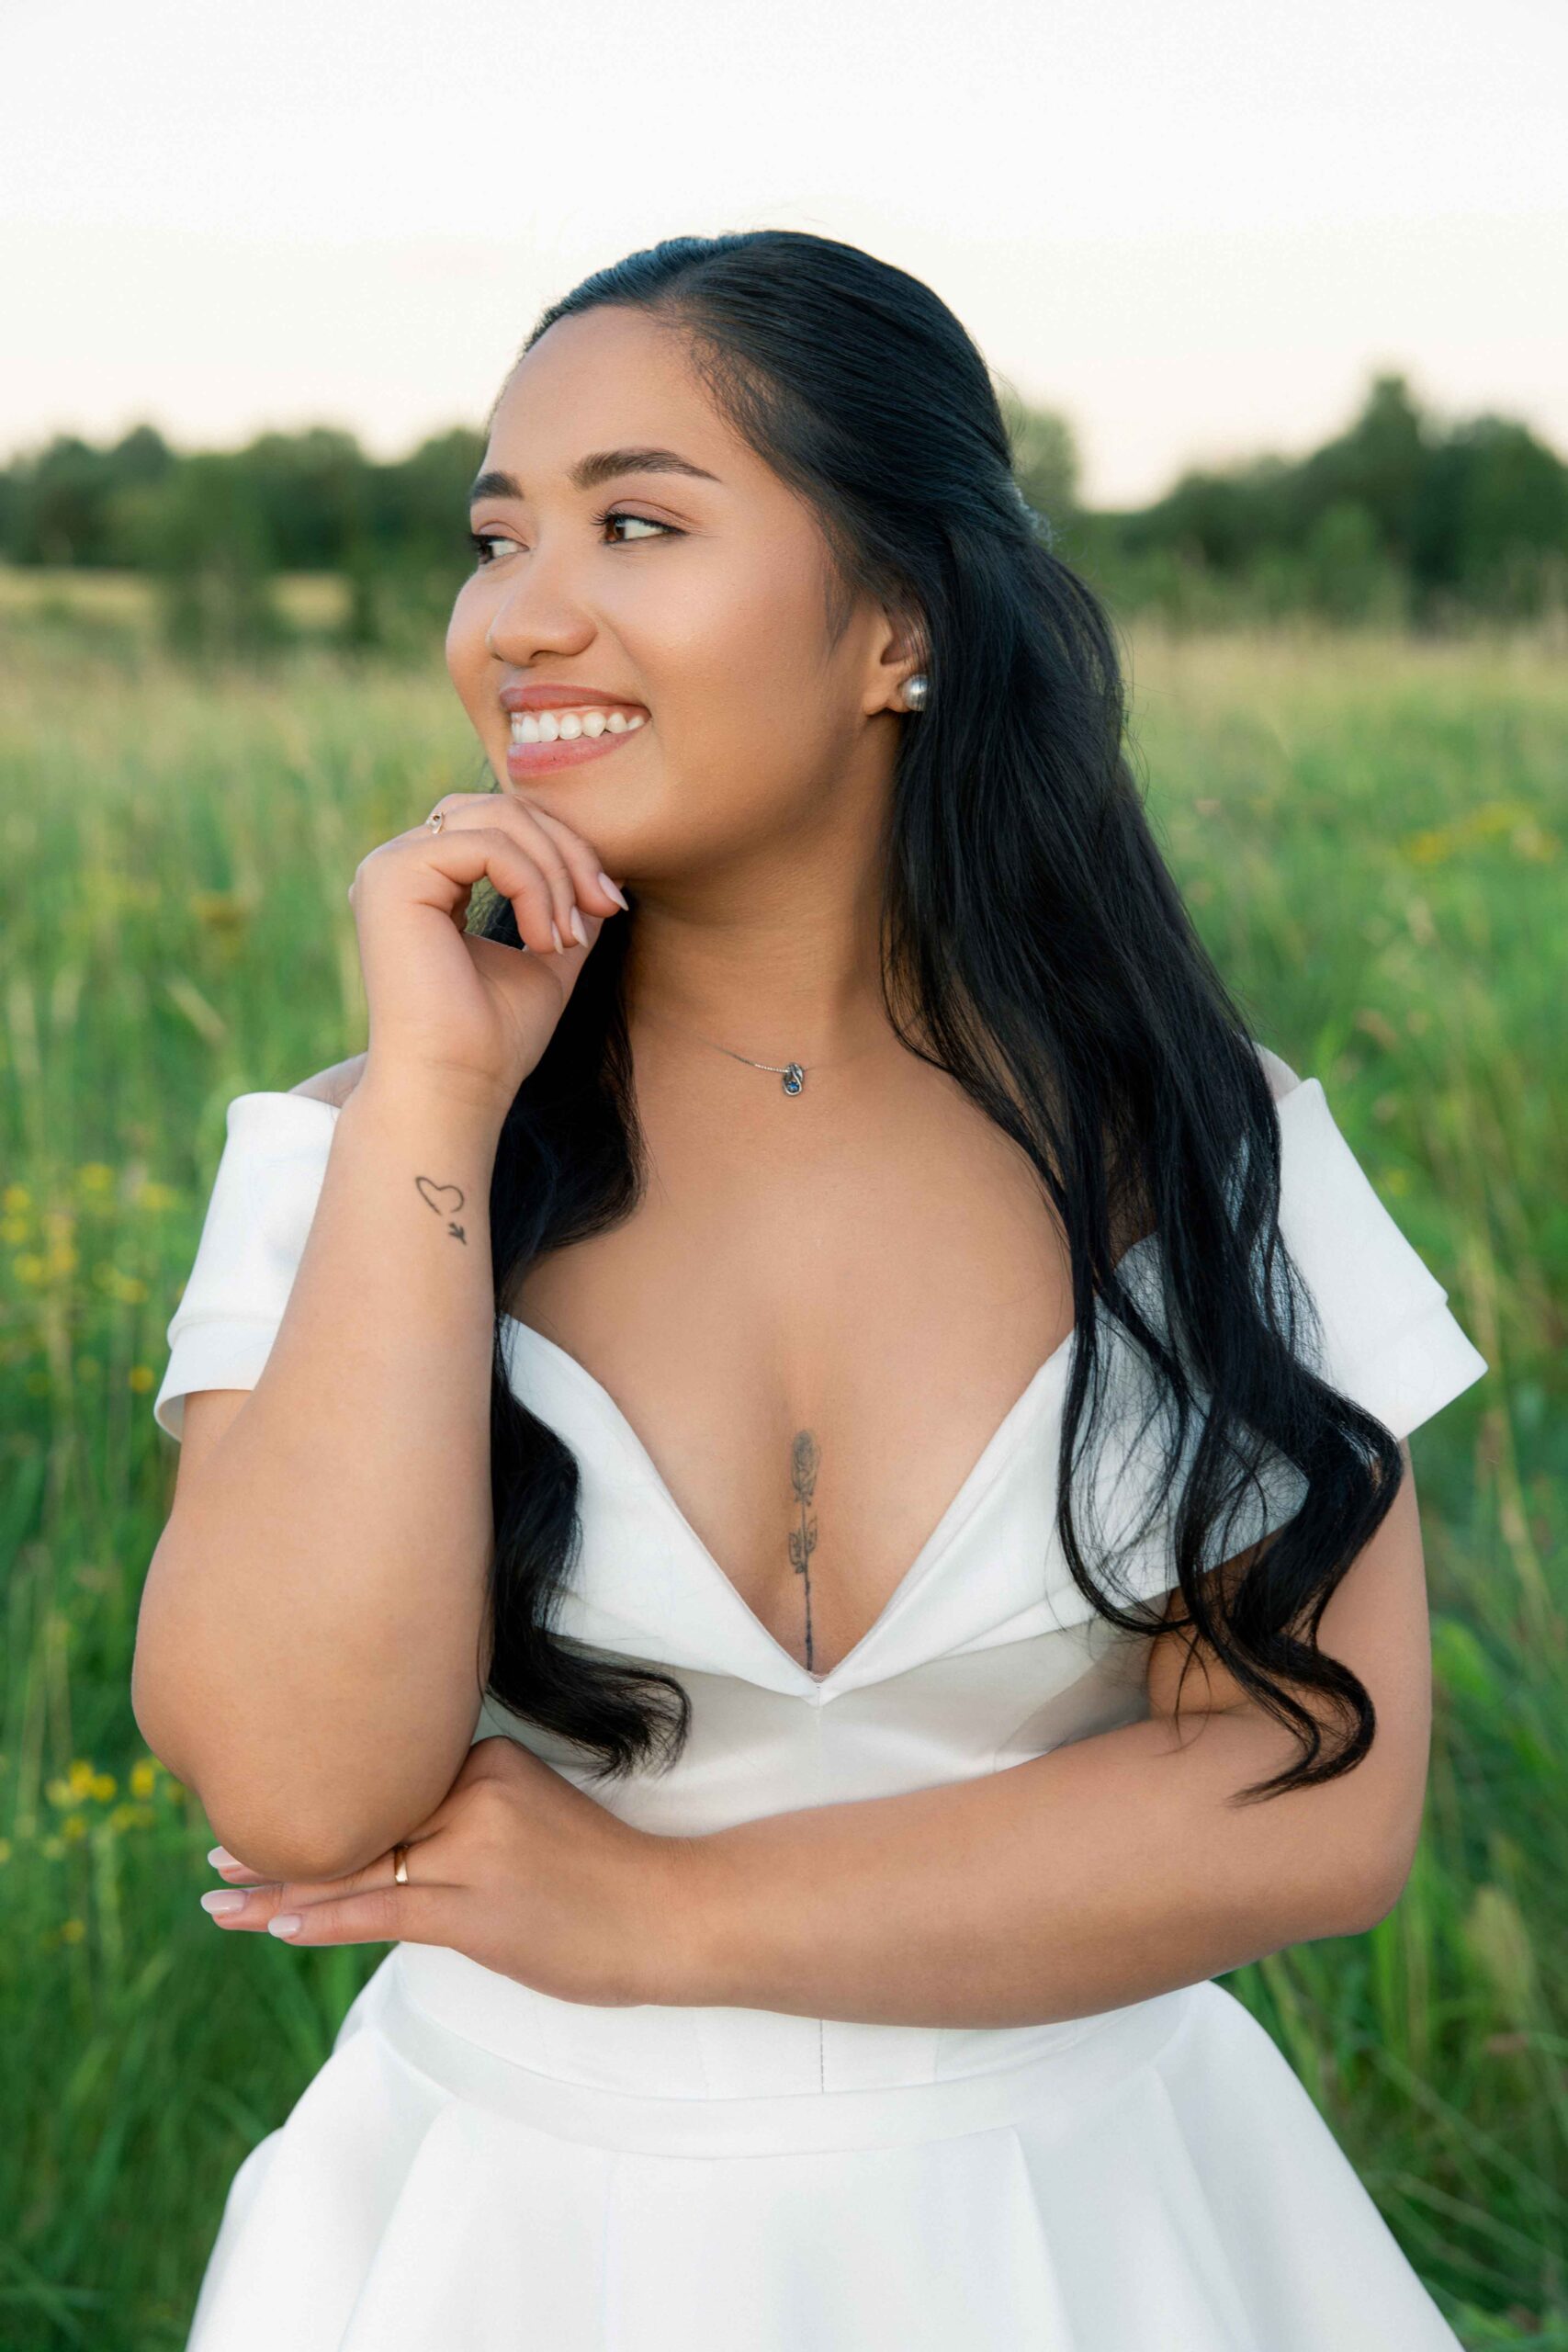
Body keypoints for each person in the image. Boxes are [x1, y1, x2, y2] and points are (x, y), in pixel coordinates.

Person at [135, 231, 1487, 2350]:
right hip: (507, 2239)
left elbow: (1317, 1794)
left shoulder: (1197, 1140)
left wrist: (661, 1911)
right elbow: (298, 1792)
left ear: (896, 623)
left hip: (1085, 2231)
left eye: (637, 521)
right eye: (495, 536)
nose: (521, 613)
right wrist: (435, 1092)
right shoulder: (360, 1142)